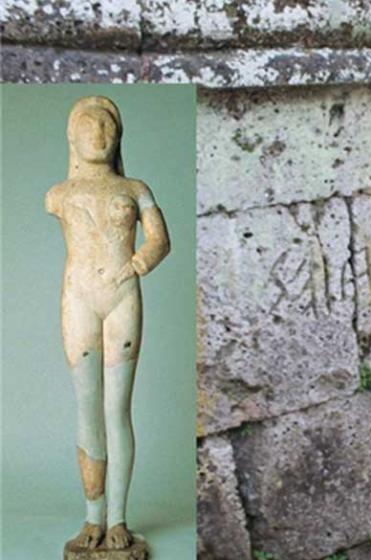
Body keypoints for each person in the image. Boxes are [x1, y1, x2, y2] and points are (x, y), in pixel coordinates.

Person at [46, 96, 170, 550]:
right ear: (72, 136)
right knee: (87, 408)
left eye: (107, 128)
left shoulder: (136, 188)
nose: (98, 136)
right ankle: (92, 518)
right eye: (89, 127)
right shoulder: (59, 194)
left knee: (117, 410)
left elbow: (159, 240)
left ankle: (117, 519)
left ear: (118, 138)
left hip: (121, 298)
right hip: (79, 298)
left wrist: (137, 263)